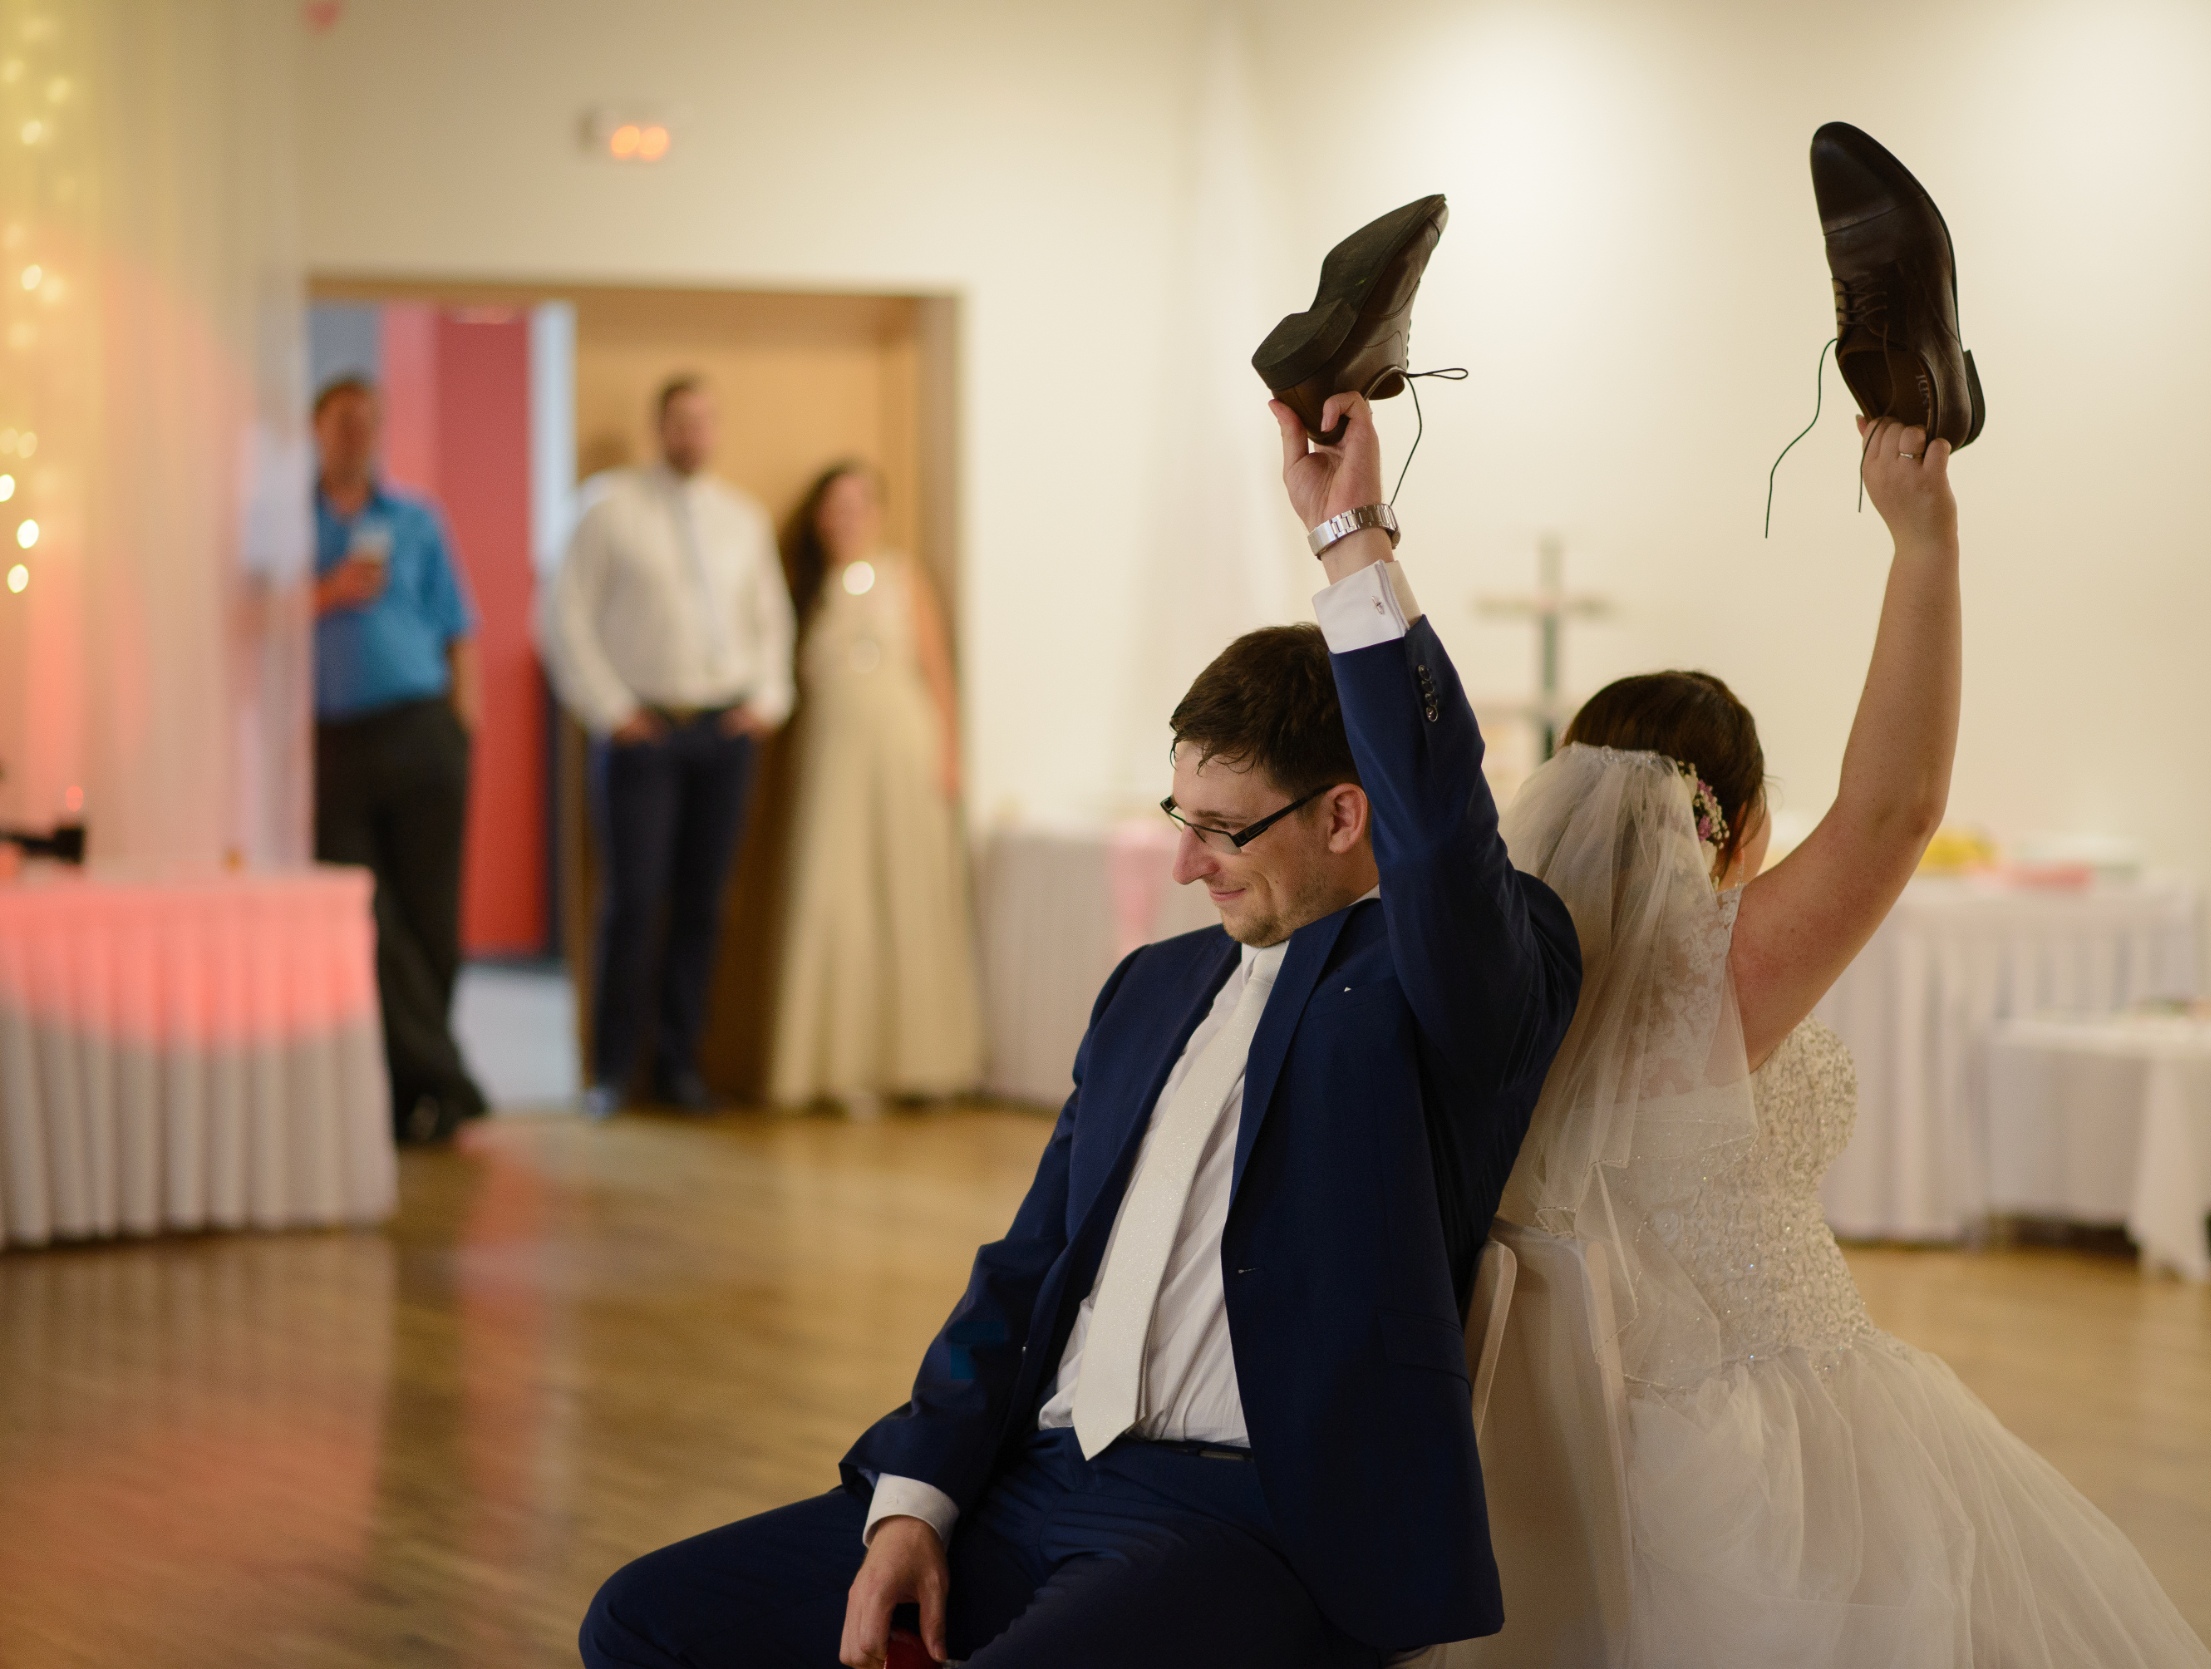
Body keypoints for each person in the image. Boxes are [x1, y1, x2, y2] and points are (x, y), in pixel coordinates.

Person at [577, 392, 1583, 1669]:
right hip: (1030, 1476)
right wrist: (916, 1499)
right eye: (1179, 816)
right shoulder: (1152, 987)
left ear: (1342, 815)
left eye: (1221, 830)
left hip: (1246, 1520)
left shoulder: (1451, 976)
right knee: (642, 1620)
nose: (1184, 865)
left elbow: (1438, 827)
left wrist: (1352, 540)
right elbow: (1029, 1260)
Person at [1494, 416, 2211, 1666]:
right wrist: (1922, 543)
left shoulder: (1514, 976)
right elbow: (1894, 811)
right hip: (1763, 1434)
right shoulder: (1706, 982)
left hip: (1573, 1439)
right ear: (1741, 824)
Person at [538, 376, 795, 1116]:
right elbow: (563, 615)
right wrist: (611, 710)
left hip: (725, 733)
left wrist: (766, 702)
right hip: (642, 734)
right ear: (660, 427)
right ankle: (614, 1071)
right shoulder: (608, 509)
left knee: (703, 905)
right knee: (633, 902)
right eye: (681, 420)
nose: (693, 433)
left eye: (705, 420)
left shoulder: (741, 519)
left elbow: (770, 620)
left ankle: (682, 1066)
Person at [767, 461, 983, 1116]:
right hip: (833, 760)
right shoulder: (807, 592)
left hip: (902, 753)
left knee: (907, 896)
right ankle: (842, 1066)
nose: (848, 517)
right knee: (837, 897)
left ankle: (923, 1063)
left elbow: (937, 672)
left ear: (878, 512)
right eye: (836, 506)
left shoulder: (902, 579)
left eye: (859, 504)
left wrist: (949, 755)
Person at [307, 374, 487, 1146]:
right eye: (343, 420)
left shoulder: (416, 520)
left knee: (430, 915)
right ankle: (439, 1075)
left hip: (420, 729)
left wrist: (464, 729)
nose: (357, 433)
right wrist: (329, 590)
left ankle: (424, 1097)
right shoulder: (289, 524)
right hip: (333, 739)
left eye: (368, 421)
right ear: (317, 428)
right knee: (364, 914)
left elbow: (459, 628)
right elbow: (252, 619)